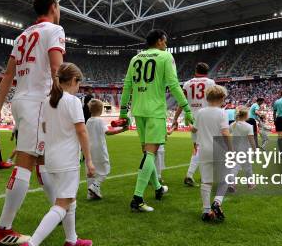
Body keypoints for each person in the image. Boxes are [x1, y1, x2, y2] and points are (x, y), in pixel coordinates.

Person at [0, 0, 65, 246]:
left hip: (21, 101)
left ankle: (59, 211)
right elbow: (57, 69)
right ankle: (3, 229)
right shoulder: (54, 30)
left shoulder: (22, 36)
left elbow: (8, 75)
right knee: (25, 163)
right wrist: (61, 99)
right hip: (38, 103)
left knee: (43, 158)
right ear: (53, 7)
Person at [13, 63, 94, 246]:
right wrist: (89, 160)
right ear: (74, 81)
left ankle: (71, 241)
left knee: (69, 200)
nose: (79, 87)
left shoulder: (48, 102)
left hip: (51, 159)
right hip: (67, 160)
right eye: (79, 83)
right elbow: (82, 132)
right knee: (62, 204)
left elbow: (44, 129)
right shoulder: (73, 101)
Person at [119, 29, 193, 212]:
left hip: (138, 110)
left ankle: (159, 189)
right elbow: (174, 85)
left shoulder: (135, 59)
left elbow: (127, 85)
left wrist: (122, 111)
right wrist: (186, 108)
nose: (166, 44)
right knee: (151, 153)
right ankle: (137, 198)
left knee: (147, 152)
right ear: (159, 41)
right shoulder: (165, 57)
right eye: (165, 41)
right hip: (155, 111)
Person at [191, 85, 232, 222]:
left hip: (203, 150)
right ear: (221, 98)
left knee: (206, 181)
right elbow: (225, 132)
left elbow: (194, 129)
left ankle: (206, 211)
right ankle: (217, 202)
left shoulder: (201, 112)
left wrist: (190, 126)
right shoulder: (222, 113)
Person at [172, 62, 216, 187]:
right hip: (207, 117)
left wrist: (175, 118)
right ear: (207, 71)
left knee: (197, 147)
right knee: (207, 147)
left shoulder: (187, 84)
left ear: (195, 70)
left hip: (192, 117)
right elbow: (214, 100)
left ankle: (193, 175)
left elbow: (182, 102)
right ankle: (194, 175)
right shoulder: (211, 83)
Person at [86, 99, 127, 200]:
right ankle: (94, 186)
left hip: (90, 150)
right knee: (105, 170)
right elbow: (108, 132)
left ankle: (90, 194)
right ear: (101, 110)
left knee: (91, 171)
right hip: (100, 149)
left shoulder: (88, 121)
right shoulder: (99, 121)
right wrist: (122, 130)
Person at [228, 107, 257, 191]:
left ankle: (231, 183)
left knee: (235, 166)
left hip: (234, 148)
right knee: (248, 167)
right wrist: (255, 150)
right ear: (246, 115)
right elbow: (251, 140)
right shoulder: (248, 126)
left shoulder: (233, 124)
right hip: (245, 149)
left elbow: (226, 134)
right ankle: (250, 184)